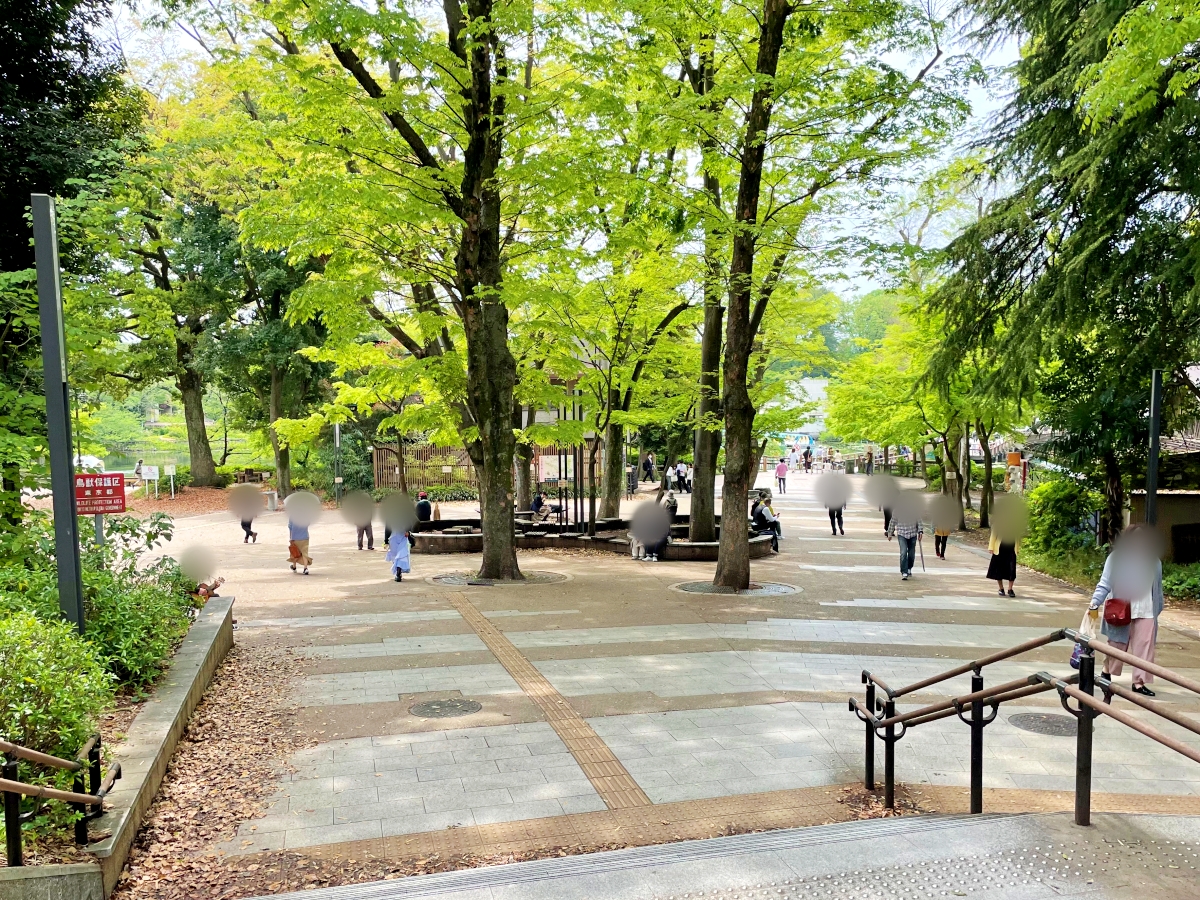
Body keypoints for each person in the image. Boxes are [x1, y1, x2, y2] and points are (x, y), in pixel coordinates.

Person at [1088, 524, 1163, 696]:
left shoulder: (1154, 561)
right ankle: (1107, 671)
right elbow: (1105, 583)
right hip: (1121, 609)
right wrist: (1094, 603)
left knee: (1145, 648)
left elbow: (1158, 588)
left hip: (1146, 611)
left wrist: (1158, 608)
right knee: (1117, 645)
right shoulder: (1116, 558)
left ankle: (1139, 682)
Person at [886, 506, 922, 581]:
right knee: (903, 552)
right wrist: (890, 533)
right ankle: (904, 572)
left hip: (912, 534)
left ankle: (909, 568)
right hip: (902, 534)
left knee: (911, 554)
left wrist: (920, 531)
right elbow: (893, 521)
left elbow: (919, 520)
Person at [987, 529, 1019, 596]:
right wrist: (991, 547)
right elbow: (994, 534)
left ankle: (1010, 589)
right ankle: (1001, 588)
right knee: (998, 570)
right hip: (1000, 549)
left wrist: (1017, 549)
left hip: (1011, 549)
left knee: (1012, 570)